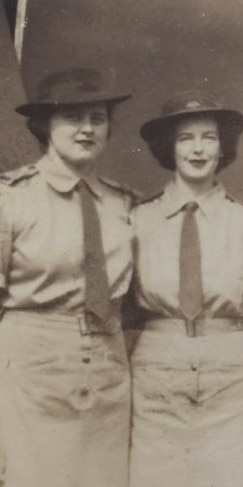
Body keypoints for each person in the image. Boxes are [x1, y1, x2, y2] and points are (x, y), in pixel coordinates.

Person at [0, 67, 134, 487]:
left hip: (108, 374)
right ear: (43, 125)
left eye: (97, 118)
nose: (86, 129)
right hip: (30, 375)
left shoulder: (122, 203)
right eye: (72, 118)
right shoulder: (11, 198)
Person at [129, 91, 243, 487]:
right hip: (158, 366)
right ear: (170, 147)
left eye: (210, 137)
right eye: (186, 138)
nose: (198, 149)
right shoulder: (137, 219)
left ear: (224, 148)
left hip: (230, 371)